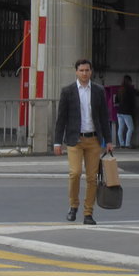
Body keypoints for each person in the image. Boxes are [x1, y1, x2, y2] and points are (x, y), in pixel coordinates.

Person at [53, 58, 113, 225]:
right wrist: (57, 142)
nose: (85, 73)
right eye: (81, 70)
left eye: (87, 70)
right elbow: (61, 119)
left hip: (93, 139)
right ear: (76, 72)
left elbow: (103, 117)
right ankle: (73, 206)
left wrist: (108, 140)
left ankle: (88, 212)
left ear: (91, 72)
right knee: (75, 173)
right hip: (75, 139)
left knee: (92, 177)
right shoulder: (68, 91)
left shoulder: (99, 91)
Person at [114, 74, 139, 148]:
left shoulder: (119, 90)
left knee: (121, 128)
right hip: (127, 112)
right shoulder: (130, 89)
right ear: (129, 81)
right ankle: (127, 144)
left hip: (119, 112)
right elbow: (138, 93)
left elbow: (116, 102)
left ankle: (122, 144)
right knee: (131, 128)